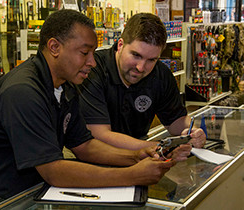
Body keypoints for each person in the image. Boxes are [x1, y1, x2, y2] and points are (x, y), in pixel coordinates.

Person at [0, 10, 182, 209]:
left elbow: (84, 145)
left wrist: (136, 156)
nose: (92, 62)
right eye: (84, 53)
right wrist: (132, 175)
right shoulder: (22, 91)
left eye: (93, 53)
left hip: (29, 193)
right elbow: (53, 171)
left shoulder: (65, 85)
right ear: (54, 47)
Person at [78, 13, 206, 151]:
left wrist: (192, 132)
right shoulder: (92, 70)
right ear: (120, 45)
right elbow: (100, 135)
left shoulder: (161, 74)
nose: (140, 67)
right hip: (94, 159)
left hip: (139, 155)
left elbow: (175, 120)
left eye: (151, 60)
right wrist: (158, 147)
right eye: (136, 55)